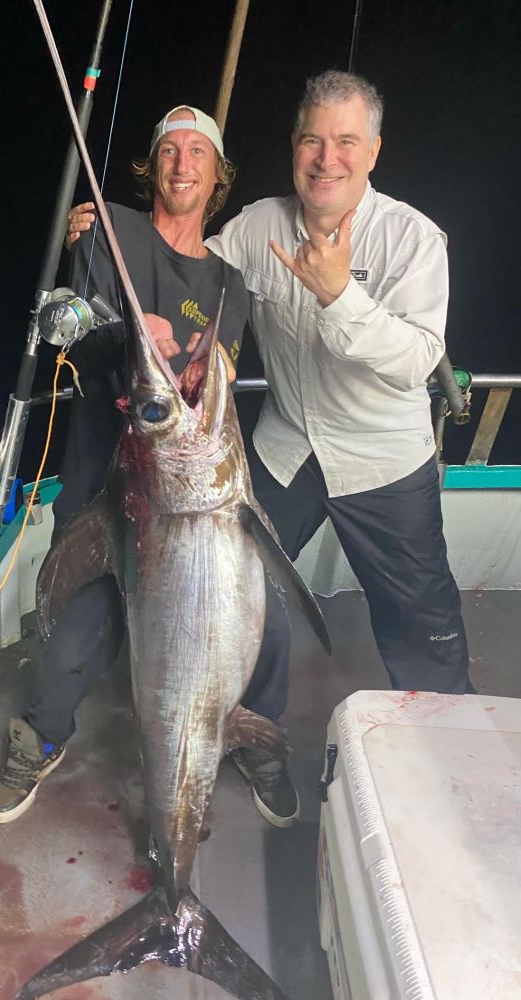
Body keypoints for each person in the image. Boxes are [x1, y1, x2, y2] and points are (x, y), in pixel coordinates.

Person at [69, 71, 473, 703]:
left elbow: (420, 357)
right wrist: (103, 239)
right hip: (286, 450)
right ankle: (257, 737)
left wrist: (340, 296)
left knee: (421, 623)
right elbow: (185, 262)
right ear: (293, 146)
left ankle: (450, 741)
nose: (326, 159)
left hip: (385, 461)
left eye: (345, 142)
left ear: (373, 150)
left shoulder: (412, 238)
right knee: (240, 585)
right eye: (312, 141)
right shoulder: (259, 227)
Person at [0, 106, 300, 831]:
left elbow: (219, 368)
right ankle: (43, 736)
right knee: (72, 636)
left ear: (217, 175)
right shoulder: (107, 230)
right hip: (105, 486)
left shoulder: (229, 284)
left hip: (192, 491)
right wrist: (130, 331)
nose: (182, 162)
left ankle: (253, 740)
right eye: (169, 150)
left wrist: (190, 351)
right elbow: (78, 333)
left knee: (271, 624)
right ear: (151, 164)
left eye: (198, 152)